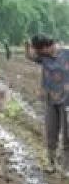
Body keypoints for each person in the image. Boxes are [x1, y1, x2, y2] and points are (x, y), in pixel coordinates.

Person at [25, 34, 69, 174]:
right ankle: (51, 163)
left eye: (40, 50)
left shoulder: (66, 53)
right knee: (51, 131)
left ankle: (66, 166)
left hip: (67, 100)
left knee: (67, 134)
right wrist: (28, 44)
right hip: (50, 99)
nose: (38, 53)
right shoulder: (43, 57)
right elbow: (30, 56)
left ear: (46, 47)